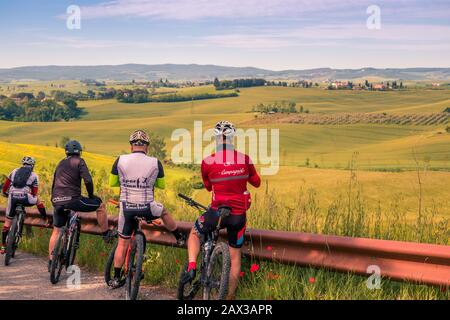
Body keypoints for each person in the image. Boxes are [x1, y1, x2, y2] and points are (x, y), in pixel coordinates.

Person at [183, 121, 261, 300]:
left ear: (216, 139)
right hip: (238, 217)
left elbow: (209, 188)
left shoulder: (207, 162)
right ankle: (230, 297)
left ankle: (192, 266)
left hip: (216, 214)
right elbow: (257, 183)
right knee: (235, 257)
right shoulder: (245, 159)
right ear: (233, 139)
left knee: (194, 233)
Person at [107, 129, 185, 288]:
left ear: (131, 146)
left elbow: (113, 183)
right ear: (147, 147)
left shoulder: (120, 160)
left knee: (122, 243)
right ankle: (179, 236)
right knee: (163, 212)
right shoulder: (155, 162)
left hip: (127, 208)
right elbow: (161, 185)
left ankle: (116, 278)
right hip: (147, 207)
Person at [48, 140, 114, 271]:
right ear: (79, 152)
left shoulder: (60, 163)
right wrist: (91, 195)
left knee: (56, 230)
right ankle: (106, 234)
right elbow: (88, 180)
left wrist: (54, 200)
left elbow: (54, 183)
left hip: (56, 200)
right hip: (73, 200)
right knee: (100, 205)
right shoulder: (79, 161)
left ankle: (51, 262)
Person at [1, 157, 47, 254]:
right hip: (25, 198)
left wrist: (5, 193)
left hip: (12, 197)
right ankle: (44, 217)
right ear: (32, 165)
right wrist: (30, 195)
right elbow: (34, 192)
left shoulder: (14, 171)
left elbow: (6, 186)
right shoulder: (34, 175)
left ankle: (3, 246)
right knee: (38, 200)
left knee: (7, 222)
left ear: (23, 164)